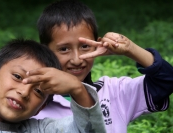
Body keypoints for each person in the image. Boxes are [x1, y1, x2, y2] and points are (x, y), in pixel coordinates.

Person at [32, 0, 173, 132]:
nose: (76, 59)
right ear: (45, 51)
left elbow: (166, 81)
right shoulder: (33, 100)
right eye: (64, 49)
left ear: (97, 45)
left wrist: (130, 49)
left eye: (85, 46)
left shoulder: (114, 93)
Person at [0, 39, 106, 133]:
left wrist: (77, 89)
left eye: (38, 91)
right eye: (18, 77)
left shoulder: (41, 130)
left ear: (41, 107)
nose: (24, 92)